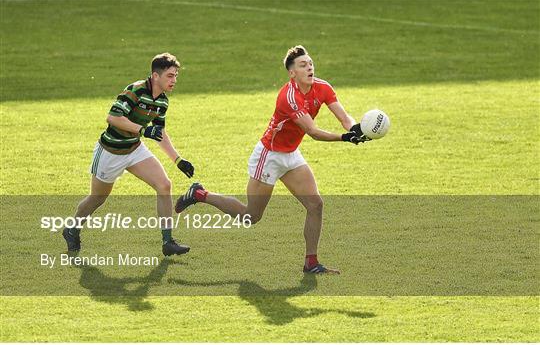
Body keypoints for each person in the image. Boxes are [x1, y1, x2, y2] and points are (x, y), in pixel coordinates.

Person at [175, 46, 369, 273]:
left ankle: (311, 262)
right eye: (303, 65)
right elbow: (313, 132)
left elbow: (345, 118)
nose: (309, 67)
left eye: (310, 63)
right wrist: (346, 138)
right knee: (251, 217)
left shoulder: (323, 87)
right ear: (292, 73)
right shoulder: (289, 97)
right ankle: (200, 194)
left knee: (315, 205)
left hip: (291, 155)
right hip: (269, 156)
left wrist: (357, 128)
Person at [63, 53, 195, 256]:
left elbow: (160, 133)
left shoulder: (162, 102)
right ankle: (72, 229)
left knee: (164, 184)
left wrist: (178, 160)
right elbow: (113, 117)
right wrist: (143, 130)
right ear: (155, 75)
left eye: (176, 75)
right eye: (170, 76)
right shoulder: (135, 90)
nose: (174, 80)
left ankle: (168, 242)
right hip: (110, 152)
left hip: (134, 149)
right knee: (97, 198)